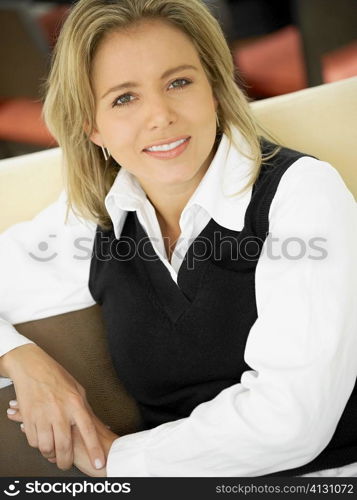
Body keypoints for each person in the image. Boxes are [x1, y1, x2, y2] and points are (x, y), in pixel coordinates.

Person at [0, 0, 356, 477]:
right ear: (92, 126)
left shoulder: (302, 192)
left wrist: (119, 462)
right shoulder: (95, 222)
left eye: (178, 82)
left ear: (214, 87)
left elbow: (292, 420)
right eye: (124, 98)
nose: (160, 115)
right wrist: (22, 361)